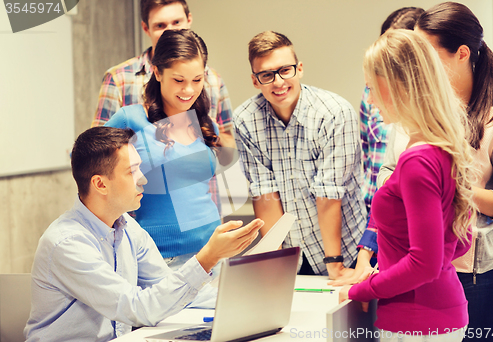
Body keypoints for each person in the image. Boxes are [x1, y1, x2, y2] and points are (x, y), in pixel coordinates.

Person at [24, 126, 263, 341]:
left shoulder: (127, 226)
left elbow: (168, 290)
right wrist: (206, 258)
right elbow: (138, 309)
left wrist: (249, 298)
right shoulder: (67, 243)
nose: (143, 179)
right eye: (132, 171)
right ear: (100, 184)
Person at [340, 29, 476, 341]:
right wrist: (390, 270)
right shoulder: (443, 147)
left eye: (372, 88)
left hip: (417, 320)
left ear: (398, 87)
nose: (370, 99)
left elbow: (424, 264)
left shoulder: (418, 161)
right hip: (440, 311)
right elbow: (461, 241)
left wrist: (363, 288)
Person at [378, 2, 493, 340]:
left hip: (475, 274)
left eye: (427, 54)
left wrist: (453, 189)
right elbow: (387, 175)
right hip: (414, 268)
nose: (418, 65)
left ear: (462, 53)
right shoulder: (411, 113)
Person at [233, 31, 366, 279]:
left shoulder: (335, 113)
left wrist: (335, 264)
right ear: (255, 81)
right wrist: (275, 264)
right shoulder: (246, 120)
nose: (278, 82)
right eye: (267, 75)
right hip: (295, 255)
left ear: (299, 68)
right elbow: (265, 195)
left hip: (347, 251)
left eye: (285, 70)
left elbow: (329, 195)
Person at [105, 29, 222, 271]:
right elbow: (85, 163)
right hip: (162, 260)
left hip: (214, 253)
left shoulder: (205, 124)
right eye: (179, 80)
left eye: (197, 80)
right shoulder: (132, 119)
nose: (189, 90)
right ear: (157, 72)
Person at [332, 7, 424, 286]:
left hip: (411, 226)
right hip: (375, 220)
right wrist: (367, 246)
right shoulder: (370, 98)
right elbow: (377, 169)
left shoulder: (430, 119)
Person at [92, 0, 234, 150]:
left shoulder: (214, 79)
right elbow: (97, 149)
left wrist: (210, 132)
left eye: (177, 22)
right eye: (160, 25)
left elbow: (228, 148)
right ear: (146, 28)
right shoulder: (118, 79)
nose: (169, 31)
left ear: (189, 20)